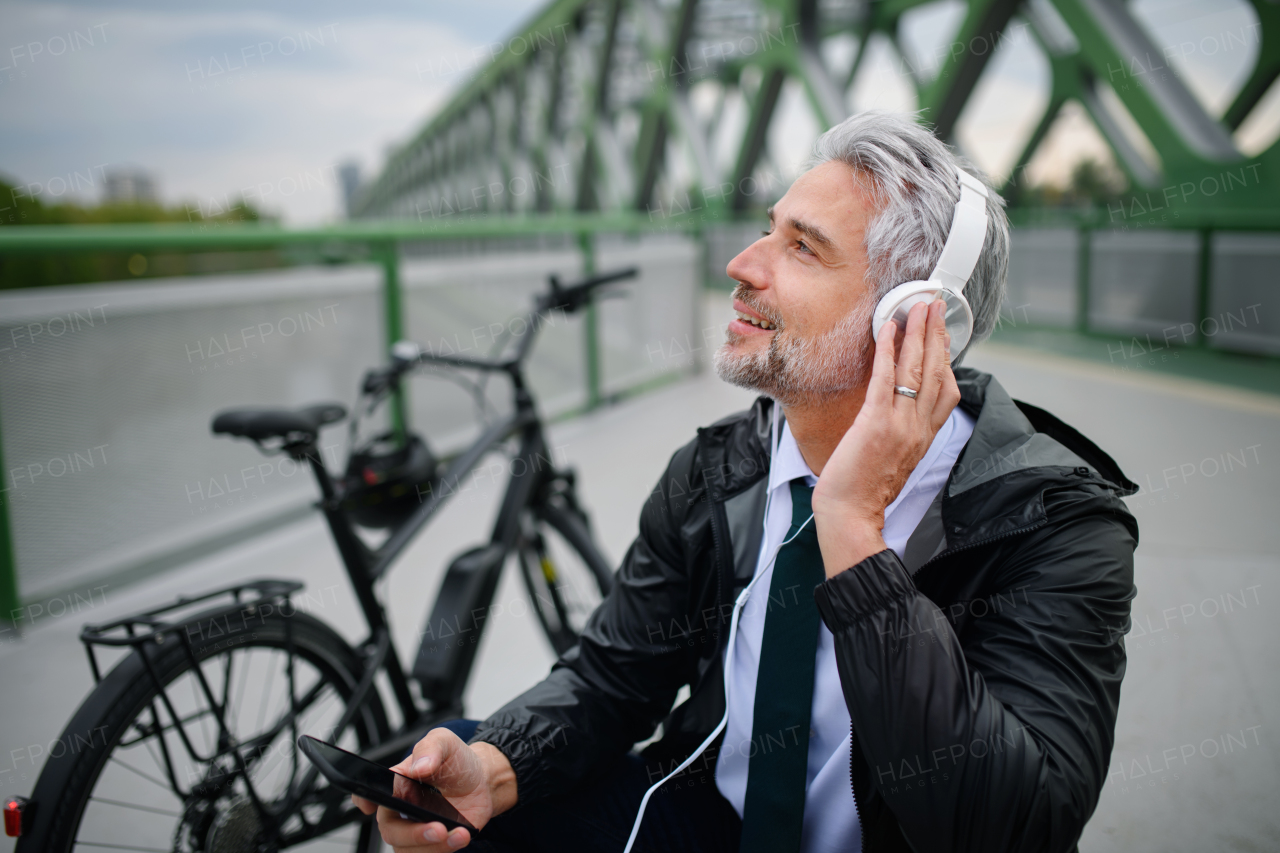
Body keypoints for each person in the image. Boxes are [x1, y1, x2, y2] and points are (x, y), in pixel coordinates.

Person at [355, 111, 1139, 853]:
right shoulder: (717, 469)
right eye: (770, 228)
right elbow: (613, 676)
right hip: (709, 817)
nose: (741, 264)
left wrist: (854, 532)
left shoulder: (1052, 525)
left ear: (917, 317)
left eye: (802, 247)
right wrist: (492, 770)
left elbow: (1017, 828)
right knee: (463, 771)